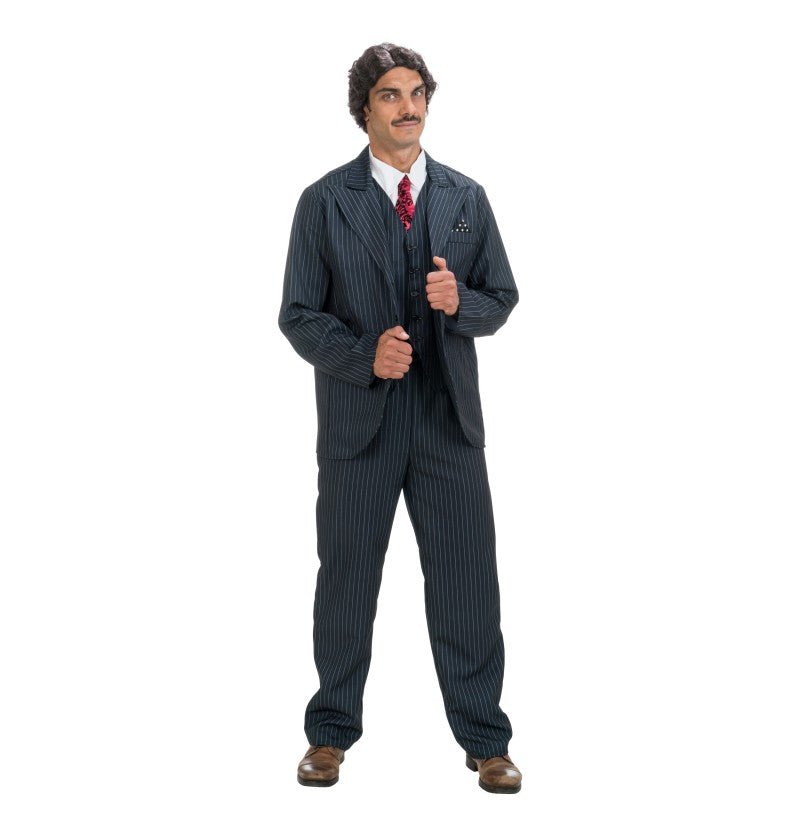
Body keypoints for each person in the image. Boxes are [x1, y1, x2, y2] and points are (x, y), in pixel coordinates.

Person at [279, 42, 521, 794]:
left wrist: (462, 303)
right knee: (347, 581)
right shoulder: (324, 201)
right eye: (391, 94)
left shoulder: (465, 197)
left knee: (467, 583)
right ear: (364, 109)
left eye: (417, 93)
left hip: (449, 423)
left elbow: (501, 297)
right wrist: (363, 355)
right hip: (360, 426)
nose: (408, 107)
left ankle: (486, 740)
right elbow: (297, 314)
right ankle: (329, 735)